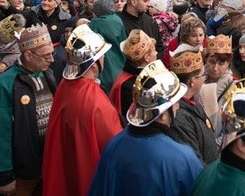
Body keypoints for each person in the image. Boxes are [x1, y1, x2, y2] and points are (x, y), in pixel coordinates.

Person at [87, 60, 204, 195]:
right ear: (163, 115)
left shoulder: (112, 146)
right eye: (175, 103)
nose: (178, 107)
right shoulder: (184, 159)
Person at [0, 25, 58, 196]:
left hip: (46, 166)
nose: (52, 59)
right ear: (27, 55)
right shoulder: (4, 85)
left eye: (52, 53)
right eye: (46, 55)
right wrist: (4, 177)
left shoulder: (47, 74)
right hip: (21, 174)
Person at [42, 25, 122, 196]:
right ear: (94, 63)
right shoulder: (95, 100)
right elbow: (115, 146)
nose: (104, 59)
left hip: (64, 171)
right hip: (89, 177)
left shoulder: (65, 85)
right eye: (102, 56)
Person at [170, 50, 220, 164]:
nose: (204, 78)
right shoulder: (179, 117)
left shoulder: (193, 100)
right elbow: (194, 161)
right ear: (192, 82)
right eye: (203, 75)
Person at [109, 29, 158, 116]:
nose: (156, 53)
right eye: (154, 50)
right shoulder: (128, 87)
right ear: (147, 57)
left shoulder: (139, 75)